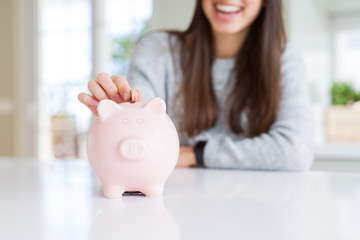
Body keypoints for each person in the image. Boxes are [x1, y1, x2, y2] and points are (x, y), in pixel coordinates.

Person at [78, 0, 314, 171]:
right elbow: (142, 142)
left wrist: (196, 154)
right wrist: (125, 115)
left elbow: (295, 151)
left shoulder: (285, 60)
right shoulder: (157, 50)